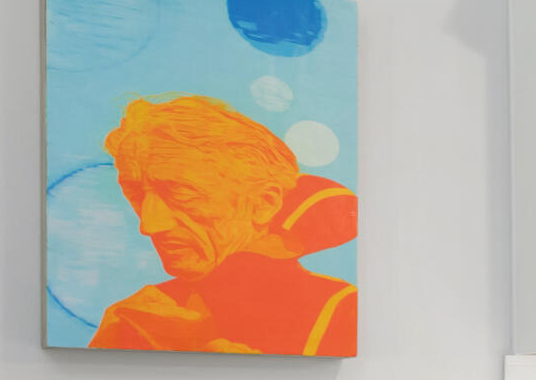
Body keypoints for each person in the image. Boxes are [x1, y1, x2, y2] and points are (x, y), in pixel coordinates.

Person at [89, 96, 359, 355]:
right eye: (136, 195)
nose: (149, 225)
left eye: (182, 193)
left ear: (265, 202)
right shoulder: (135, 319)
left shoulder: (340, 310)